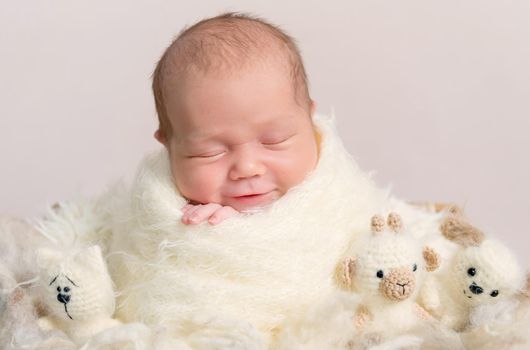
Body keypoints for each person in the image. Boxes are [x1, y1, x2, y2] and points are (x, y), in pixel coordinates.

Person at [151, 12, 319, 225]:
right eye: (209, 153)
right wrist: (206, 238)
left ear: (310, 122)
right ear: (169, 146)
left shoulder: (345, 203)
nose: (247, 168)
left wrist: (254, 234)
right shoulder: (158, 216)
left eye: (274, 140)